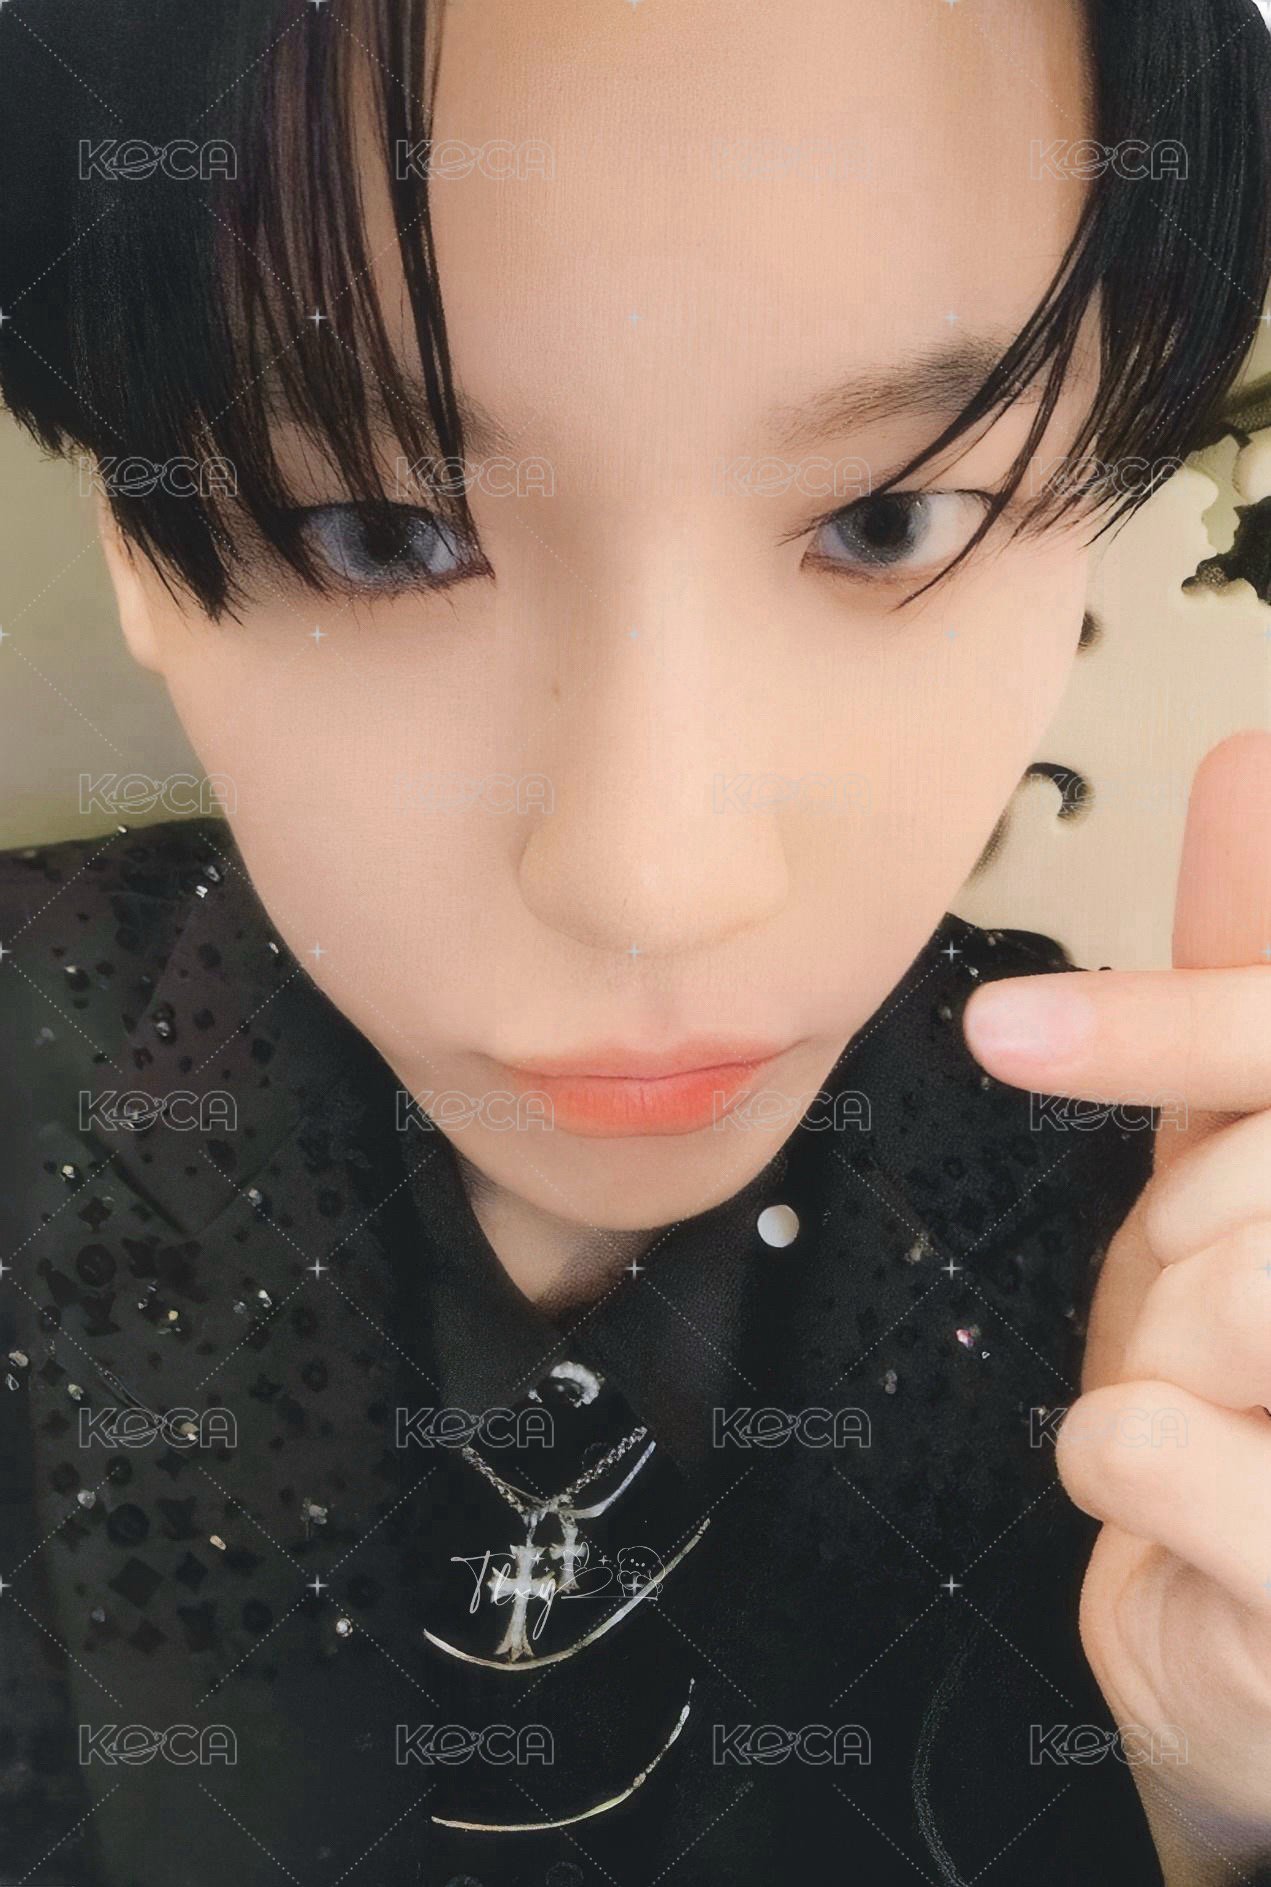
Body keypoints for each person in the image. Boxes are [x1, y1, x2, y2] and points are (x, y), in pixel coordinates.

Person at [1, 1, 1271, 1881]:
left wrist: (1219, 1814)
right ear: (135, 532)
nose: (651, 882)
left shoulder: (1177, 1278)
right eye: (375, 536)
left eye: (892, 518)